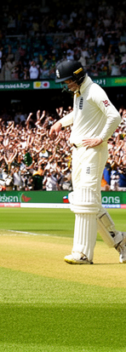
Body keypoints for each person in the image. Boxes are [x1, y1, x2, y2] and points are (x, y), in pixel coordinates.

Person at [49, 60, 125, 264]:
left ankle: (82, 254)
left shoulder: (94, 90)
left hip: (92, 151)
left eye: (68, 81)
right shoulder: (80, 93)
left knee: (85, 200)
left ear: (78, 76)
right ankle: (121, 242)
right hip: (79, 152)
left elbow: (115, 116)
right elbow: (80, 114)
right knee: (86, 201)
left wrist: (101, 138)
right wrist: (60, 123)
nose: (66, 85)